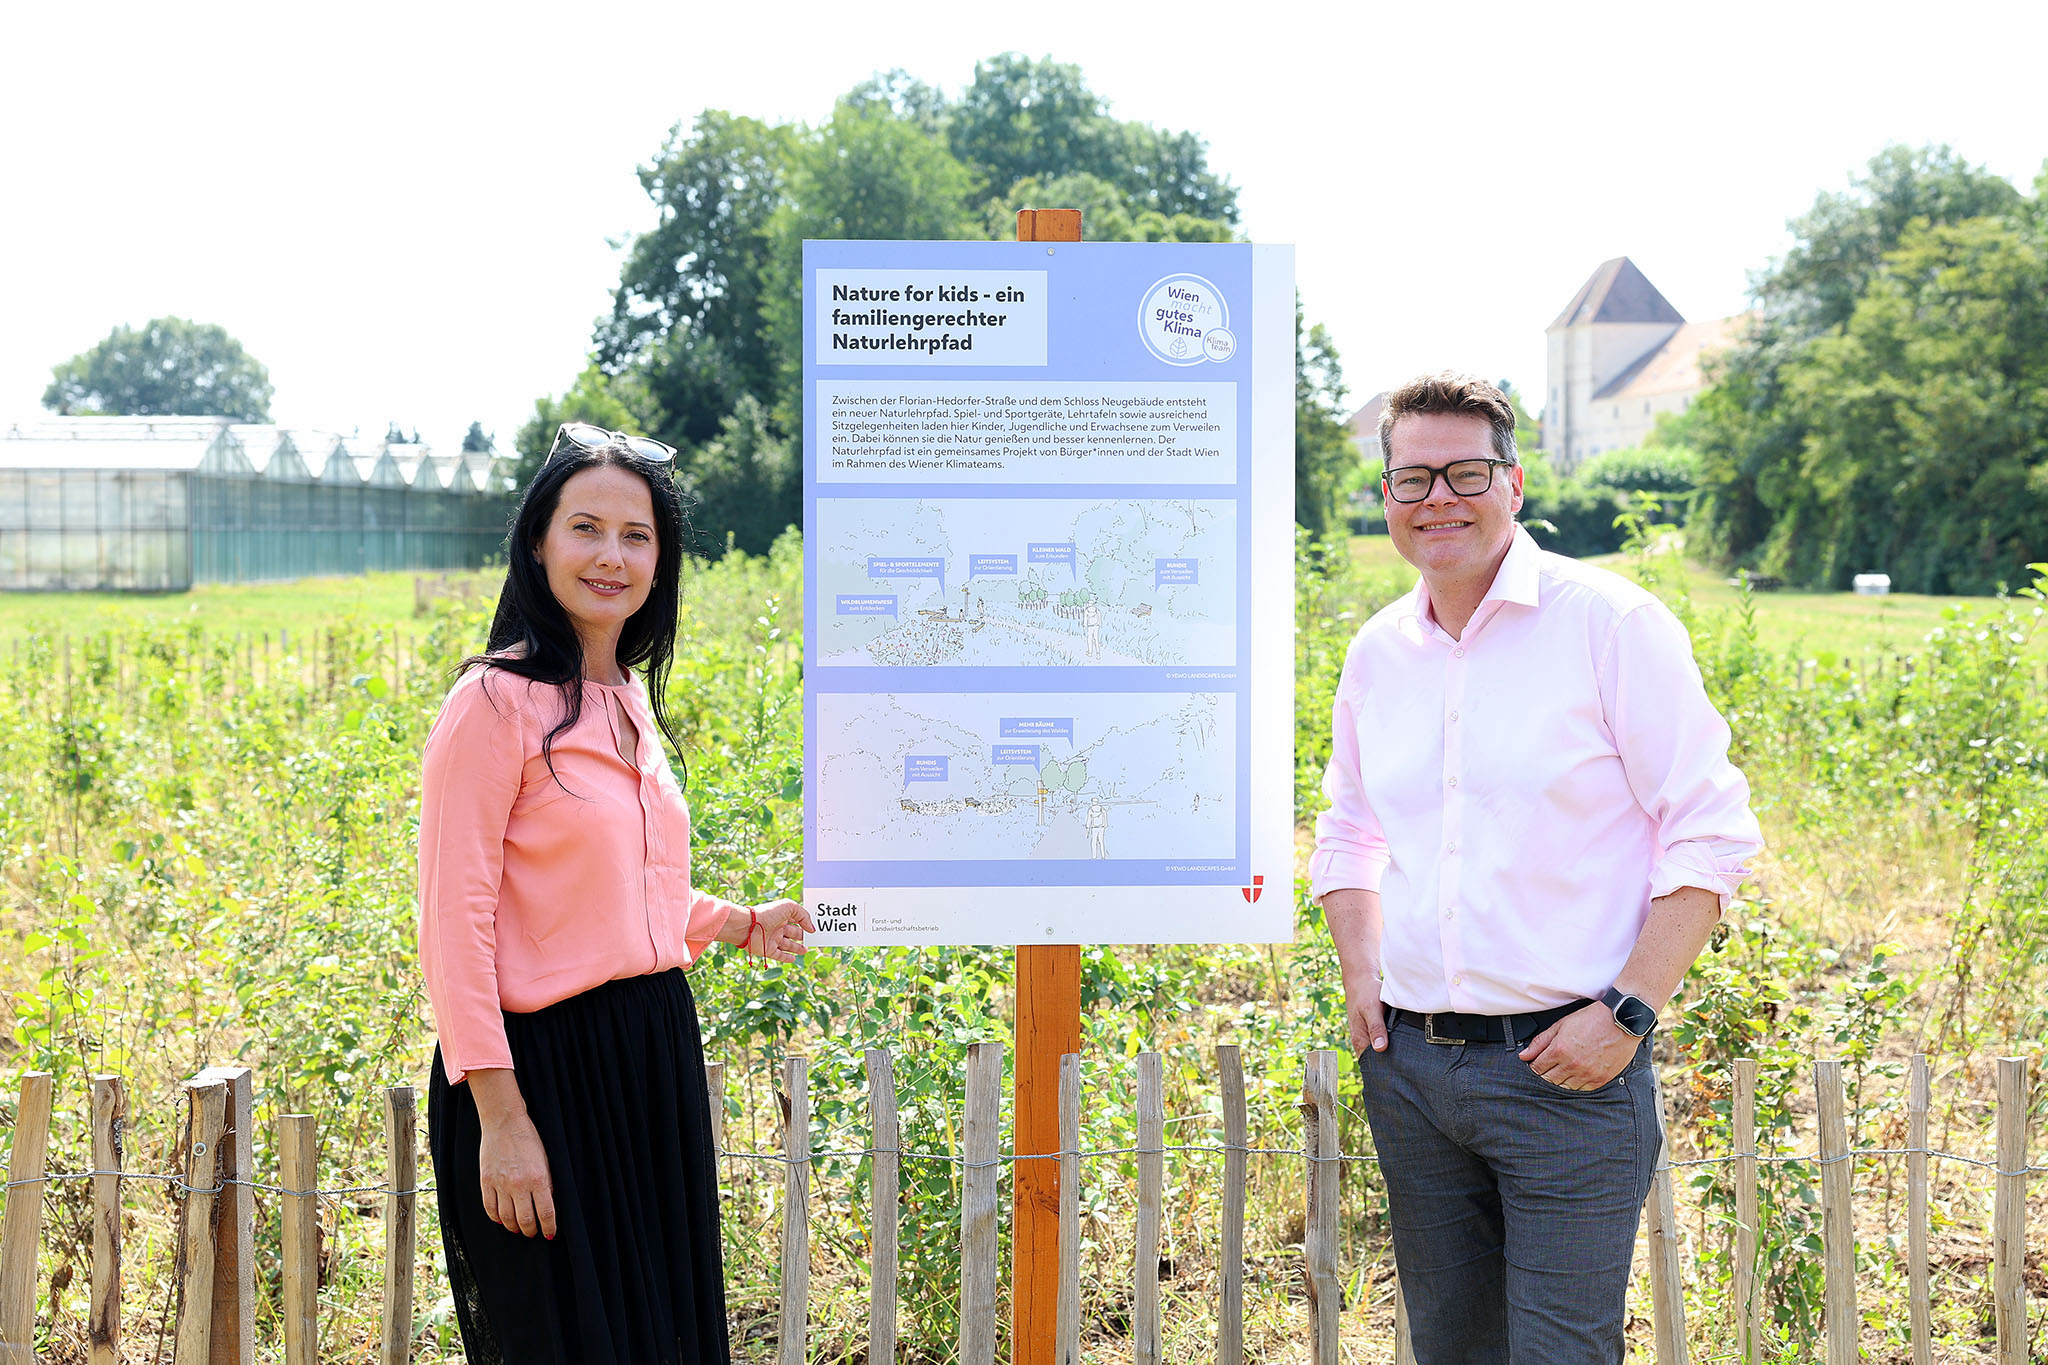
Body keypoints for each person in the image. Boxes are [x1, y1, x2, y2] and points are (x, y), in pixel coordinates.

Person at [1310, 373, 1761, 1364]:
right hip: (1413, 1072)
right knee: (1450, 1349)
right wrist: (1359, 978)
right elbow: (1348, 829)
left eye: (1465, 473)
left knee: (1559, 1353)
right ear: (1383, 497)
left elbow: (1708, 830)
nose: (1438, 499)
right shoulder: (1377, 653)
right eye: (1411, 479)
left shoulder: (1608, 623)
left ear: (1513, 483)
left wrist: (1628, 1012)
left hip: (1567, 1067)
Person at [418, 423, 816, 1364]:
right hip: (544, 1074)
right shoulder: (491, 704)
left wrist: (736, 922)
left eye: (637, 536)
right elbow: (454, 926)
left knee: (658, 1334)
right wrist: (502, 1118)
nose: (612, 555)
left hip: (647, 1050)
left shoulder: (625, 692)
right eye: (586, 527)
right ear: (537, 543)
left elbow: (622, 891)